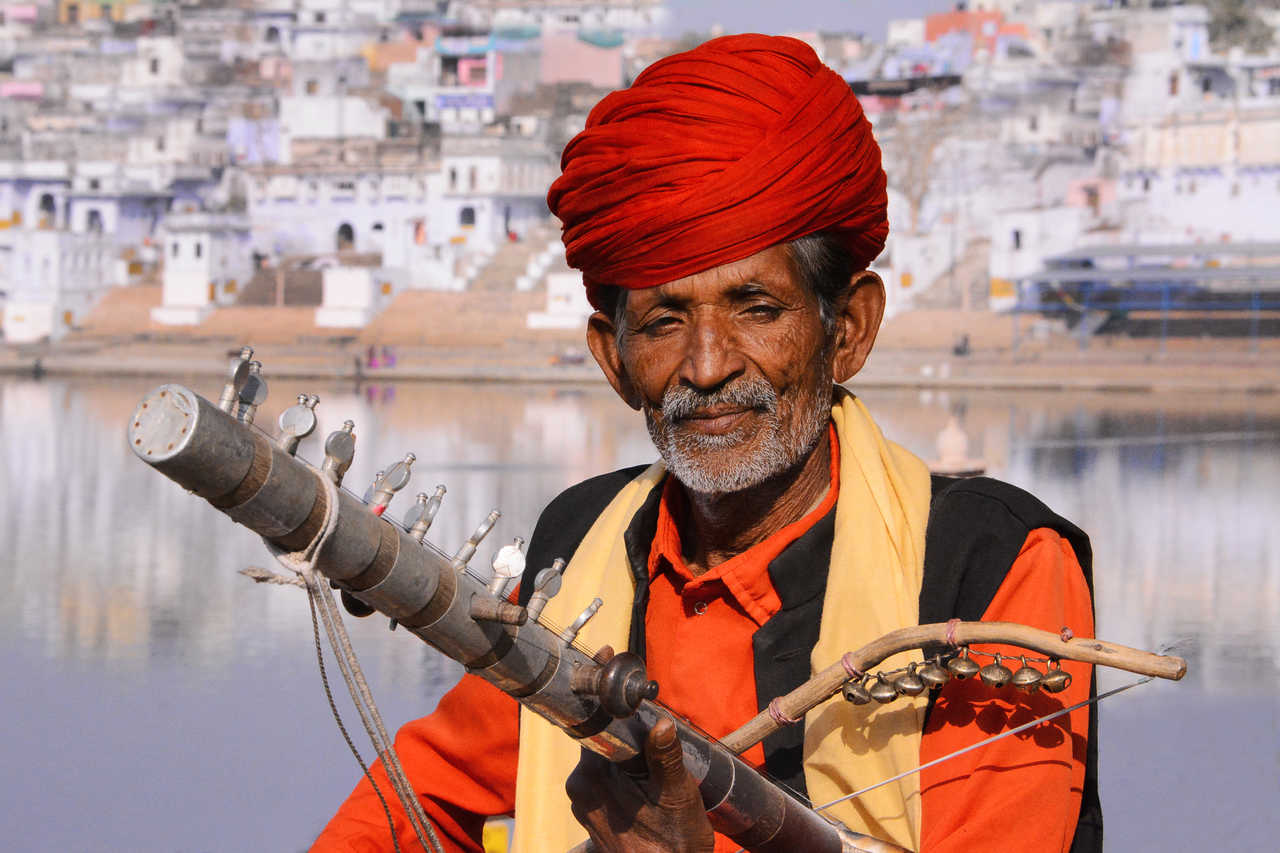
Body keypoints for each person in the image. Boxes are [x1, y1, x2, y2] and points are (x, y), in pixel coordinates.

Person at [314, 35, 1099, 853]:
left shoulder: (989, 568)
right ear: (614, 360)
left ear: (849, 331)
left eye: (756, 307)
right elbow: (421, 799)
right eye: (663, 321)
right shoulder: (584, 545)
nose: (708, 364)